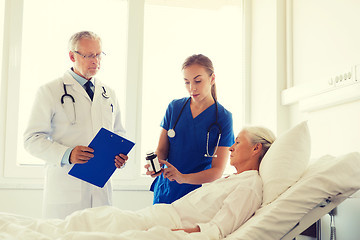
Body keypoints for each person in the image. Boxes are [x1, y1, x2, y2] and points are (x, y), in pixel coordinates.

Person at [1, 126, 275, 239]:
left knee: (86, 226)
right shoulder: (234, 180)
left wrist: (179, 232)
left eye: (237, 143)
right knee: (86, 221)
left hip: (163, 224)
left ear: (256, 150)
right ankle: (10, 226)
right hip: (156, 215)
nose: (230, 148)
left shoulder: (249, 185)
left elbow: (218, 228)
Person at [23, 31, 128, 219]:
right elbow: (31, 140)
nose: (95, 61)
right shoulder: (50, 91)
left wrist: (119, 157)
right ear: (72, 56)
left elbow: (118, 133)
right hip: (65, 189)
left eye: (98, 54)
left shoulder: (108, 93)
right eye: (89, 55)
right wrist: (67, 154)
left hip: (100, 191)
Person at [147, 54, 235, 204]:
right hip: (166, 191)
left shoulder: (223, 117)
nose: (192, 88)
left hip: (197, 196)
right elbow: (161, 150)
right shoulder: (175, 108)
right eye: (187, 82)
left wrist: (183, 178)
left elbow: (217, 171)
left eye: (198, 81)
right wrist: (155, 165)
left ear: (212, 79)